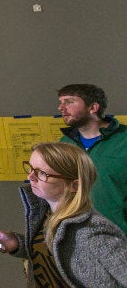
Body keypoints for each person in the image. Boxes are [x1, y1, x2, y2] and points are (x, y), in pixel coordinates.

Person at [0, 142, 127, 287]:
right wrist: (18, 244)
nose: (30, 177)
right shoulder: (46, 215)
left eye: (42, 173)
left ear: (75, 185)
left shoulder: (94, 231)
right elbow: (58, 255)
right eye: (30, 168)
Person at [57, 83, 126, 234]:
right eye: (61, 102)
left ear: (93, 108)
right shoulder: (65, 144)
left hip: (121, 236)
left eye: (69, 102)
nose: (61, 108)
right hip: (82, 236)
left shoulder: (123, 141)